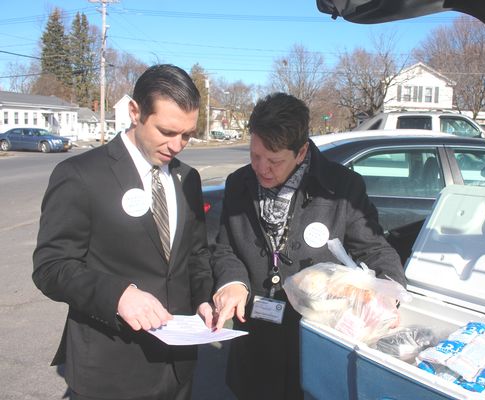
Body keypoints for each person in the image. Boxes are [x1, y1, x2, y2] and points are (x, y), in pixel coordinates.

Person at [32, 64, 214, 400]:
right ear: (135, 112)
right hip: (112, 371)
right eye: (166, 131)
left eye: (187, 134)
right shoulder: (80, 175)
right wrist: (119, 295)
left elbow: (197, 255)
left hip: (178, 369)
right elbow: (51, 267)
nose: (177, 146)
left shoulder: (188, 178)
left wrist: (205, 299)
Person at [209, 92, 407, 400]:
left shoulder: (341, 188)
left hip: (315, 338)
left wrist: (387, 294)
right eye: (255, 155)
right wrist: (233, 283)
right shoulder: (238, 183)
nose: (262, 169)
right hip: (255, 343)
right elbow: (225, 248)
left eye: (274, 161)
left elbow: (375, 249)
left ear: (301, 152)